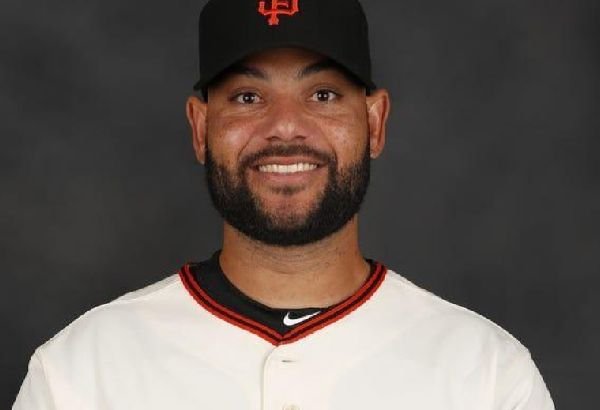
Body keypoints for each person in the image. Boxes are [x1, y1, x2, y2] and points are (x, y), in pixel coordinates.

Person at [14, 0, 555, 409]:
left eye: (323, 95)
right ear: (201, 128)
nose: (286, 127)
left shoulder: (486, 376)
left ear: (375, 122)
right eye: (248, 97)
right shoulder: (80, 374)